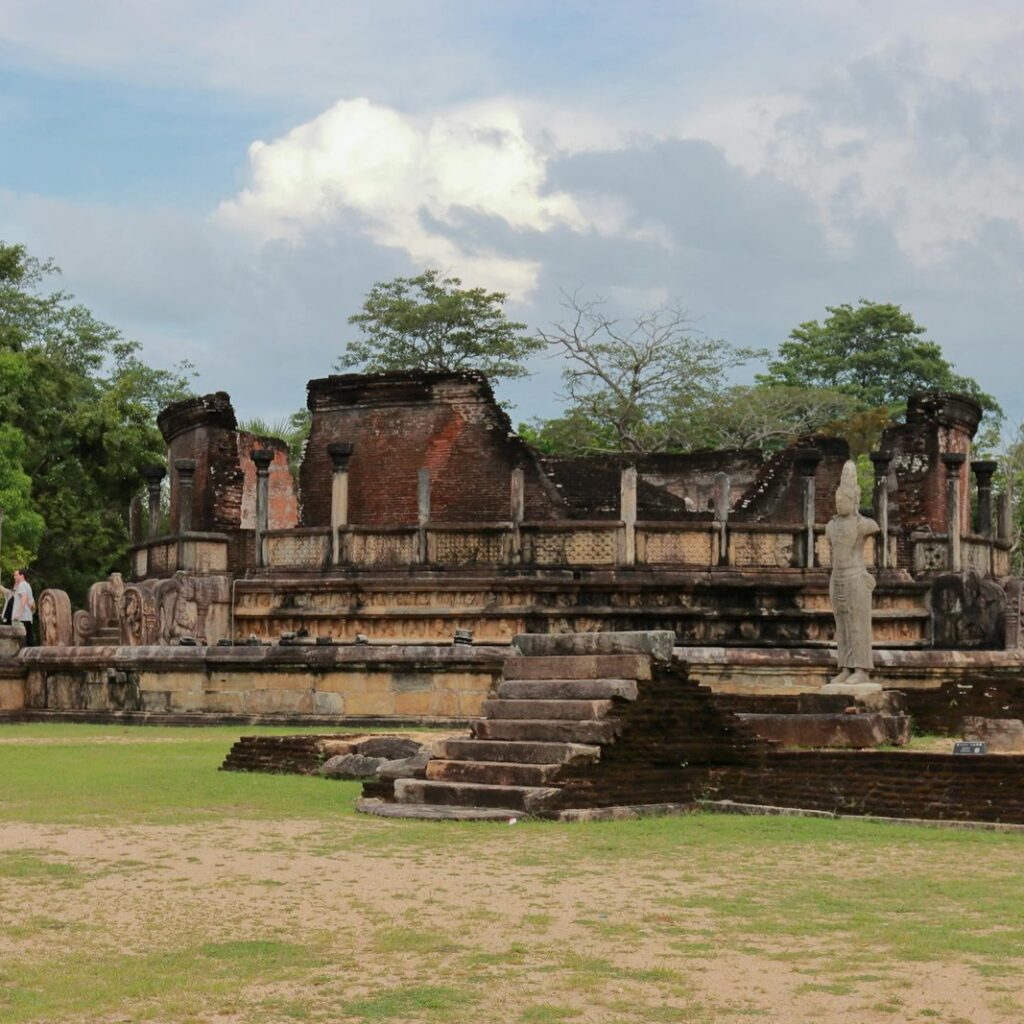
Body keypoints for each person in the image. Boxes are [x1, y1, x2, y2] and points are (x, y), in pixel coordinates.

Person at [825, 461, 879, 686]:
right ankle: (845, 667)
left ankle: (861, 669)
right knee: (842, 626)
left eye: (844, 500)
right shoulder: (831, 526)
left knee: (858, 625)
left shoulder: (863, 525)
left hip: (856, 577)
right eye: (837, 500)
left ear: (854, 501)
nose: (839, 504)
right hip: (837, 578)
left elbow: (876, 528)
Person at [12, 567, 36, 647]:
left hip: (21, 618)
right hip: (27, 617)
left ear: (21, 576)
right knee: (29, 639)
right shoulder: (27, 585)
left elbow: (24, 597)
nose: (14, 577)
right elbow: (31, 602)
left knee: (19, 642)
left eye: (16, 575)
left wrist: (19, 613)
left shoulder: (22, 585)